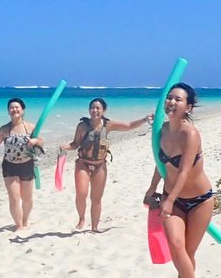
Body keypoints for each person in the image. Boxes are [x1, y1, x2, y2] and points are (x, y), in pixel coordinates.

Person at [144, 83, 215, 278]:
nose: (172, 102)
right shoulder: (161, 131)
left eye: (178, 100)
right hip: (170, 197)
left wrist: (169, 200)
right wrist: (152, 188)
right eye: (169, 98)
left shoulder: (190, 134)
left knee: (188, 251)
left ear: (189, 108)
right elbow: (160, 163)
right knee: (176, 246)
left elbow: (184, 170)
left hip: (199, 200)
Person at [59, 98, 153, 232]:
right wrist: (66, 147)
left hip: (100, 166)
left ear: (103, 110)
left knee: (96, 198)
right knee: (81, 193)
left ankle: (95, 227)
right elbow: (75, 144)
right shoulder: (82, 126)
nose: (94, 111)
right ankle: (81, 218)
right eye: (92, 108)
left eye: (98, 108)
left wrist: (145, 119)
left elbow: (129, 126)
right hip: (83, 164)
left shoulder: (108, 125)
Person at [0, 97, 42, 232]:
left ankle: (25, 220)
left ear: (23, 110)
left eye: (17, 107)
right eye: (11, 108)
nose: (14, 110)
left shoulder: (31, 127)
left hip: (27, 165)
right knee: (14, 198)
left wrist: (35, 141)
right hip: (10, 165)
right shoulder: (4, 130)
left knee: (27, 198)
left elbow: (41, 142)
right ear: (8, 111)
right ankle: (19, 225)